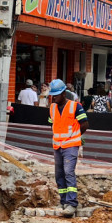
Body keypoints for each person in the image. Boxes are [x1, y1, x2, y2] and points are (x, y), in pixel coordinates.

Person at [47, 79, 87, 214]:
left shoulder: (76, 106)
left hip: (70, 145)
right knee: (59, 174)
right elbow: (52, 123)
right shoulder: (52, 107)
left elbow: (84, 124)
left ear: (64, 93)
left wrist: (75, 136)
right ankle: (63, 201)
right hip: (57, 145)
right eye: (52, 95)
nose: (54, 97)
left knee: (69, 172)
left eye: (56, 95)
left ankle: (72, 203)